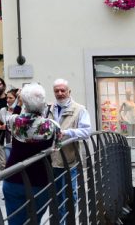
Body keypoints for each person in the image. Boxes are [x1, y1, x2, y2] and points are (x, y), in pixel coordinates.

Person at [1, 83, 58, 225]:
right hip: (40, 178)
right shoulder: (51, 125)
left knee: (15, 220)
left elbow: (13, 119)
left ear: (23, 101)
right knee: (34, 219)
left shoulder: (14, 121)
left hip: (14, 176)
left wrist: (19, 104)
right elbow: (57, 145)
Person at [49, 79, 92, 221]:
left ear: (69, 91)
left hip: (69, 160)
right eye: (57, 91)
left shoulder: (80, 109)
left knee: (69, 194)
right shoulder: (49, 108)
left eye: (63, 90)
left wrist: (67, 133)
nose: (60, 93)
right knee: (54, 196)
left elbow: (86, 132)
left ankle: (68, 221)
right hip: (51, 160)